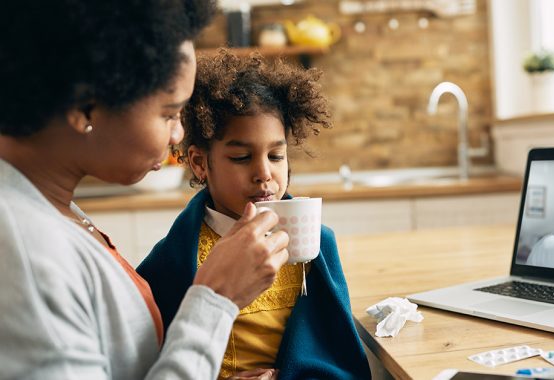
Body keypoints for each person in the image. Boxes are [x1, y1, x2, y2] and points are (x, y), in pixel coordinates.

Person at [0, 1, 290, 379]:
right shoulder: (23, 249)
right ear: (85, 107)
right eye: (169, 113)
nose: (178, 134)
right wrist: (215, 300)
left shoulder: (51, 209)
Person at [136, 52, 371, 380]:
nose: (264, 173)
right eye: (241, 157)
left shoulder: (318, 244)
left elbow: (336, 352)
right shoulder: (175, 258)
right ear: (201, 163)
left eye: (276, 155)